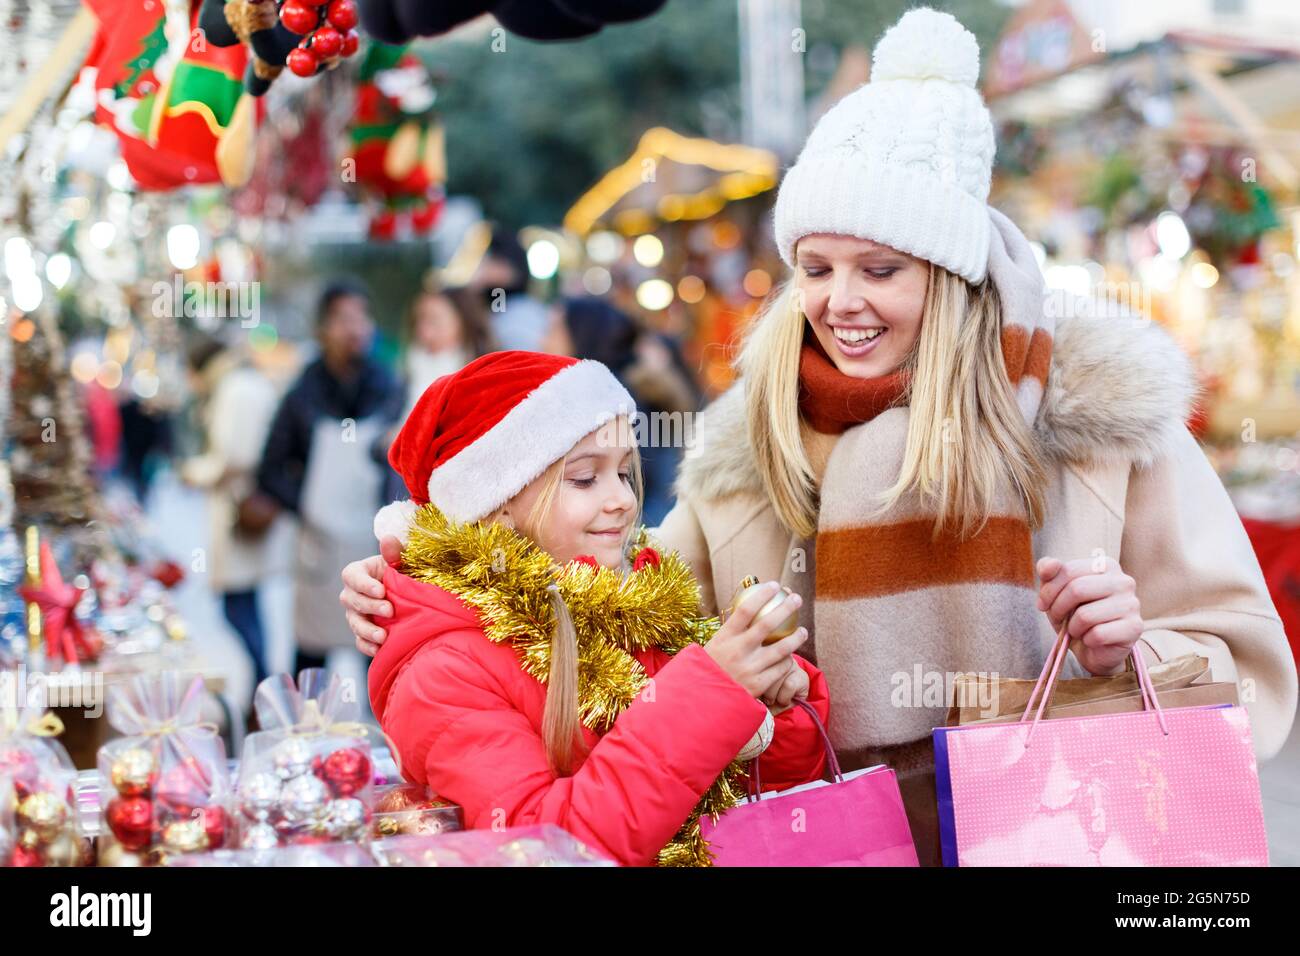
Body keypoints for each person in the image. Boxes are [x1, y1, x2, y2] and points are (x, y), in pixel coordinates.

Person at [339, 8, 1298, 865]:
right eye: (816, 267)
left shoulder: (1097, 419)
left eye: (881, 268)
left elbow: (1254, 676)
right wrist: (426, 582)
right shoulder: (745, 442)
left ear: (954, 271)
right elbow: (613, 620)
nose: (842, 303)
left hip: (1066, 838)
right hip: (831, 850)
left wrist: (1129, 651)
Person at [367, 351, 829, 866]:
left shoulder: (634, 606)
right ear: (496, 510)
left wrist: (771, 712)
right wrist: (713, 693)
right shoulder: (445, 672)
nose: (623, 501)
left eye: (626, 473)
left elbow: (723, 798)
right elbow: (548, 849)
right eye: (586, 479)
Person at [243, 279, 403, 676]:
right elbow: (269, 469)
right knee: (311, 663)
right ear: (323, 330)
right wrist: (308, 505)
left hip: (375, 545)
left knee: (379, 658)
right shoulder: (301, 395)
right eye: (343, 319)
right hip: (317, 550)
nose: (355, 328)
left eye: (362, 317)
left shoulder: (389, 388)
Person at [542, 295, 699, 525]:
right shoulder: (624, 389)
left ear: (581, 335)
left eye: (553, 331)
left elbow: (650, 485)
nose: (542, 340)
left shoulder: (612, 401)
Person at [181, 336, 281, 689]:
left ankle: (265, 688)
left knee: (237, 605)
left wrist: (195, 472)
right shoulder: (244, 381)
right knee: (244, 603)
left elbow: (234, 456)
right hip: (246, 507)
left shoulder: (235, 388)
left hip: (240, 511)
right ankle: (264, 688)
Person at [374, 284, 497, 508]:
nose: (424, 331)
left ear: (463, 321)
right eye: (420, 321)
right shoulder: (407, 374)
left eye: (435, 321)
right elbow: (379, 436)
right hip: (402, 499)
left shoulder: (485, 376)